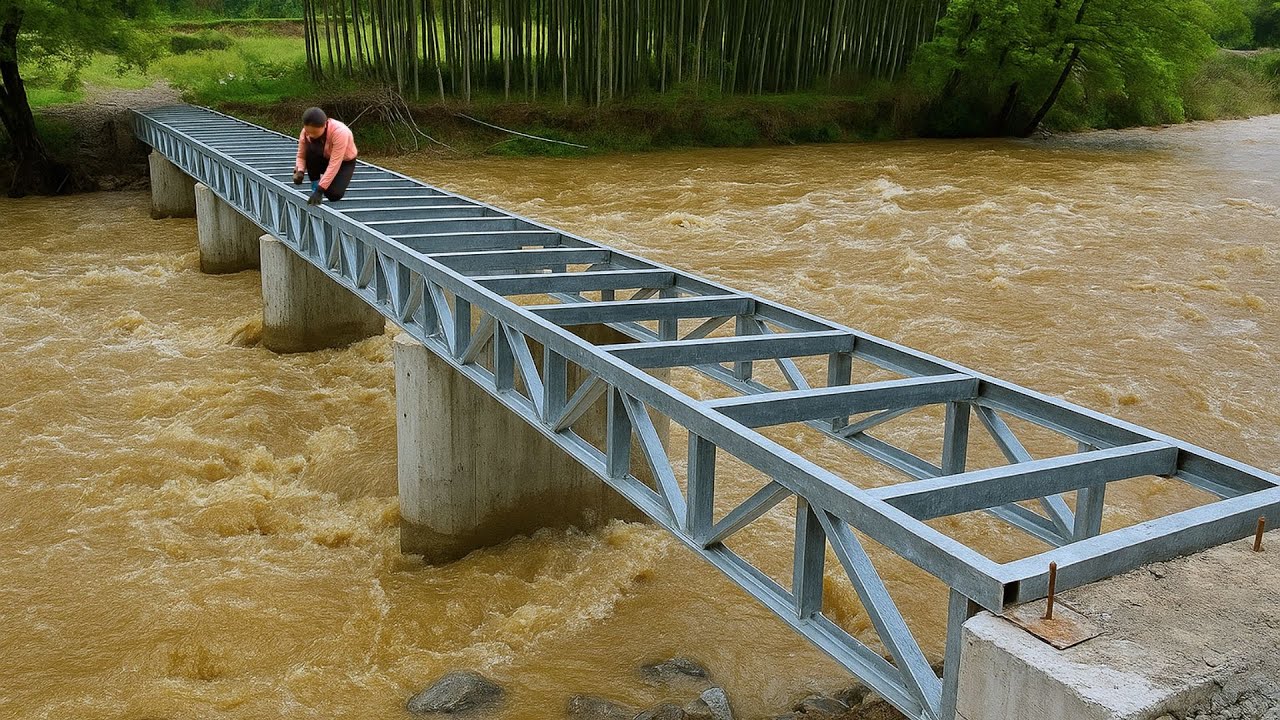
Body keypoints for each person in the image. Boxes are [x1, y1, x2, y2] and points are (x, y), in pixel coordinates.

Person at [291, 107, 358, 205]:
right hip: (322, 157)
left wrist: (320, 189)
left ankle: (322, 185)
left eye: (314, 133)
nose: (311, 135)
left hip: (344, 162)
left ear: (324, 126)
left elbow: (334, 164)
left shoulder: (340, 132)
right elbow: (301, 155)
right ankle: (315, 184)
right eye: (308, 132)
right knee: (310, 150)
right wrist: (300, 171)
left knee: (333, 195)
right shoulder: (306, 132)